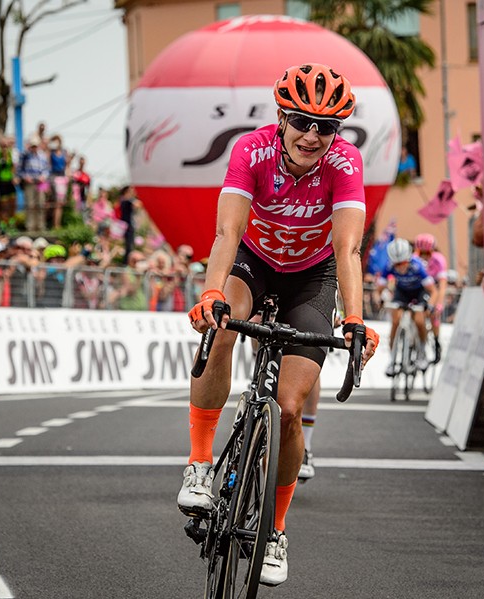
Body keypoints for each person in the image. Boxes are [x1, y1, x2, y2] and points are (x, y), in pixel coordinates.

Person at [179, 63, 379, 587]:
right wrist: (212, 291)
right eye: (301, 121)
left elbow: (349, 247)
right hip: (254, 260)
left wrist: (354, 317)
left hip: (312, 277)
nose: (313, 135)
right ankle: (200, 463)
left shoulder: (345, 162)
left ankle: (276, 531)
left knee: (290, 409)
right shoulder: (252, 150)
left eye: (326, 127)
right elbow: (228, 231)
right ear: (282, 118)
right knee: (223, 325)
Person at [380, 237, 436, 374]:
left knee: (418, 319)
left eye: (403, 263)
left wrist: (430, 306)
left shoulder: (418, 266)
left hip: (419, 292)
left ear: (409, 259)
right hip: (402, 292)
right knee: (395, 321)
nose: (400, 267)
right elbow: (379, 287)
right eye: (396, 265)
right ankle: (392, 360)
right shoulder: (388, 266)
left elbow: (433, 290)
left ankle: (422, 353)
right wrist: (380, 299)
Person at [413, 233, 447, 361]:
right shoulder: (414, 259)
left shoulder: (439, 260)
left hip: (435, 288)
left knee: (434, 314)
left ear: (432, 250)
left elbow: (442, 285)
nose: (424, 256)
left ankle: (437, 342)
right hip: (420, 288)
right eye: (421, 253)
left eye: (427, 253)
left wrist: (439, 304)